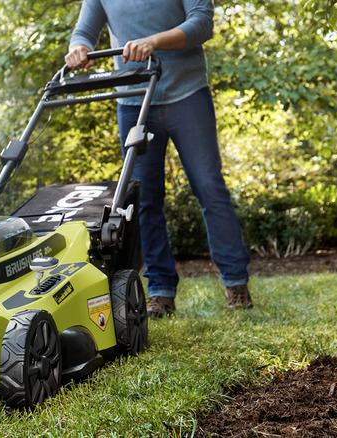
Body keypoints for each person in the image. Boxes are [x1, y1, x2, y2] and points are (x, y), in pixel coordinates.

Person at [65, 0, 252, 316]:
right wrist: (78, 48)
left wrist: (154, 41)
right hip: (133, 101)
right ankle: (161, 290)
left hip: (187, 94)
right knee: (145, 200)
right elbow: (84, 31)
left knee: (209, 188)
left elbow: (202, 22)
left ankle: (236, 282)